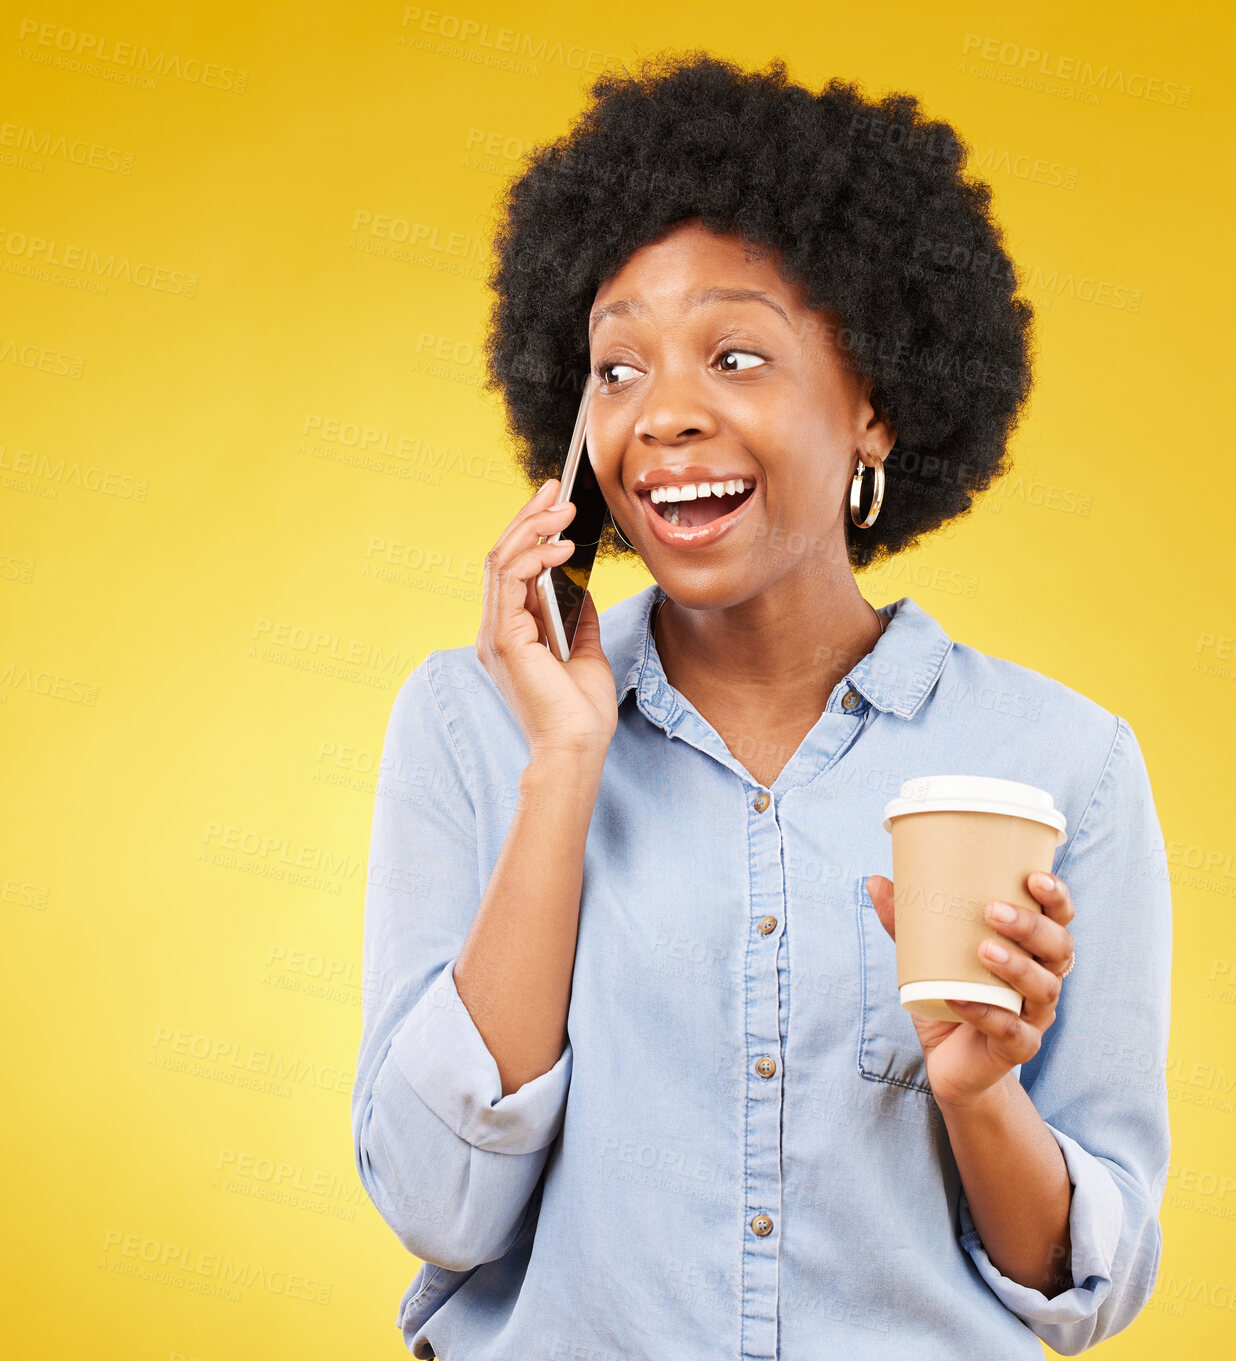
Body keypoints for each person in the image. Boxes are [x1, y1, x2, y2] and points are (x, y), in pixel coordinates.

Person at [351, 51, 1171, 1360]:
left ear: (875, 410)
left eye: (733, 355)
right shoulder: (470, 723)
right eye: (616, 370)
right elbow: (440, 1207)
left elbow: (1079, 1281)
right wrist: (565, 763)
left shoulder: (1060, 763)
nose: (665, 416)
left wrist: (978, 1095)